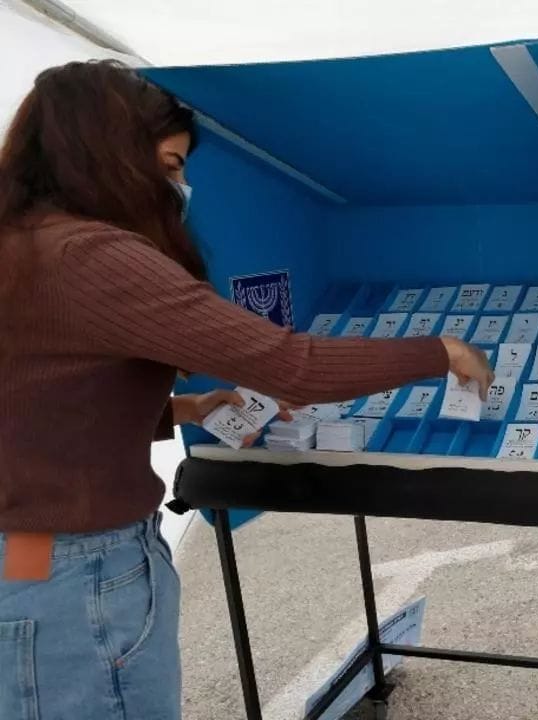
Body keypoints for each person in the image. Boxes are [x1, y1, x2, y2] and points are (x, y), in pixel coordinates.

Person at [0, 61, 494, 719]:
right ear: (111, 155)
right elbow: (292, 367)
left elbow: (42, 399)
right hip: (78, 570)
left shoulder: (21, 245)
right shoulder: (92, 256)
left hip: (26, 554)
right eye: (171, 165)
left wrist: (184, 409)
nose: (180, 187)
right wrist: (440, 351)